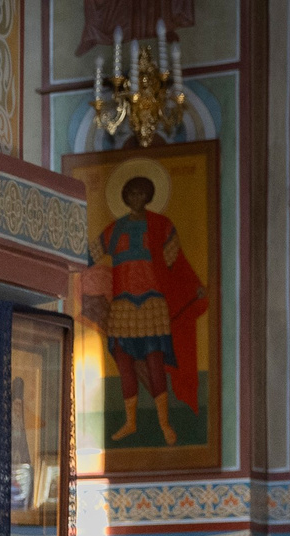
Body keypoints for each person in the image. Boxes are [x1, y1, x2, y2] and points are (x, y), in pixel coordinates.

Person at [83, 174, 209, 445]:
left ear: (149, 196)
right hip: (122, 306)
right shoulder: (114, 229)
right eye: (131, 193)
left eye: (141, 193)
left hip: (152, 303)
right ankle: (130, 422)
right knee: (124, 364)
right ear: (125, 197)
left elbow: (178, 265)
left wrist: (193, 286)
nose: (136, 198)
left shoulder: (162, 226)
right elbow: (88, 255)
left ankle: (164, 423)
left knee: (154, 363)